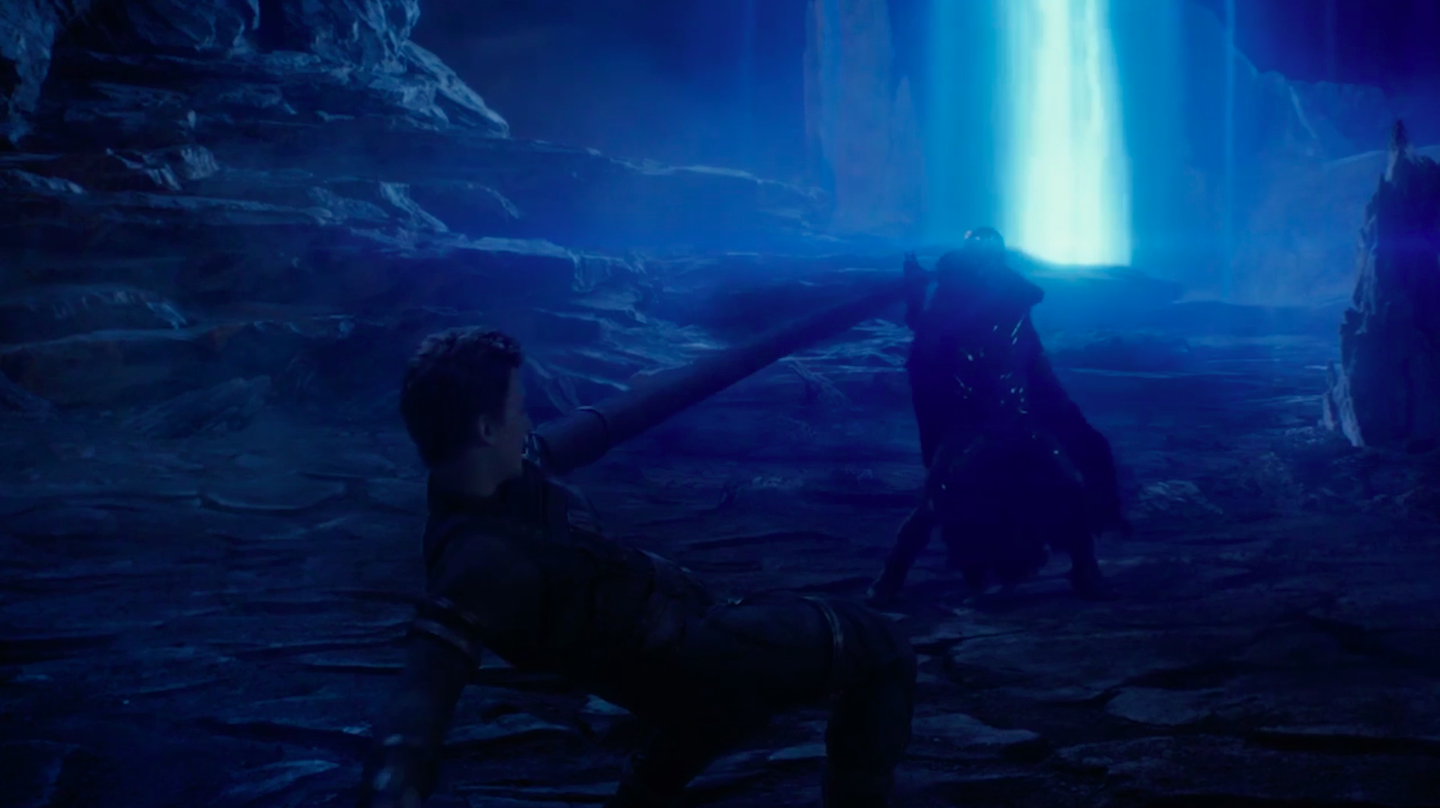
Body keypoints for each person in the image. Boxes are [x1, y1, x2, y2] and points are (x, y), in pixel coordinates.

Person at [358, 327, 916, 808]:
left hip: (686, 640)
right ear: (484, 430)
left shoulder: (497, 478)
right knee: (882, 649)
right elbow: (420, 700)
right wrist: (395, 778)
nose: (527, 420)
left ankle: (656, 777)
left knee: (720, 708)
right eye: (518, 409)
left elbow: (621, 416)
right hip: (701, 659)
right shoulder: (476, 565)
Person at [867, 228, 1128, 606]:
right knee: (936, 498)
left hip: (1019, 420)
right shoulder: (950, 314)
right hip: (969, 422)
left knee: (1069, 485)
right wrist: (916, 294)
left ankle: (1086, 570)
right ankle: (890, 578)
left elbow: (1035, 363)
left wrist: (1051, 410)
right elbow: (924, 337)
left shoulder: (1015, 312)